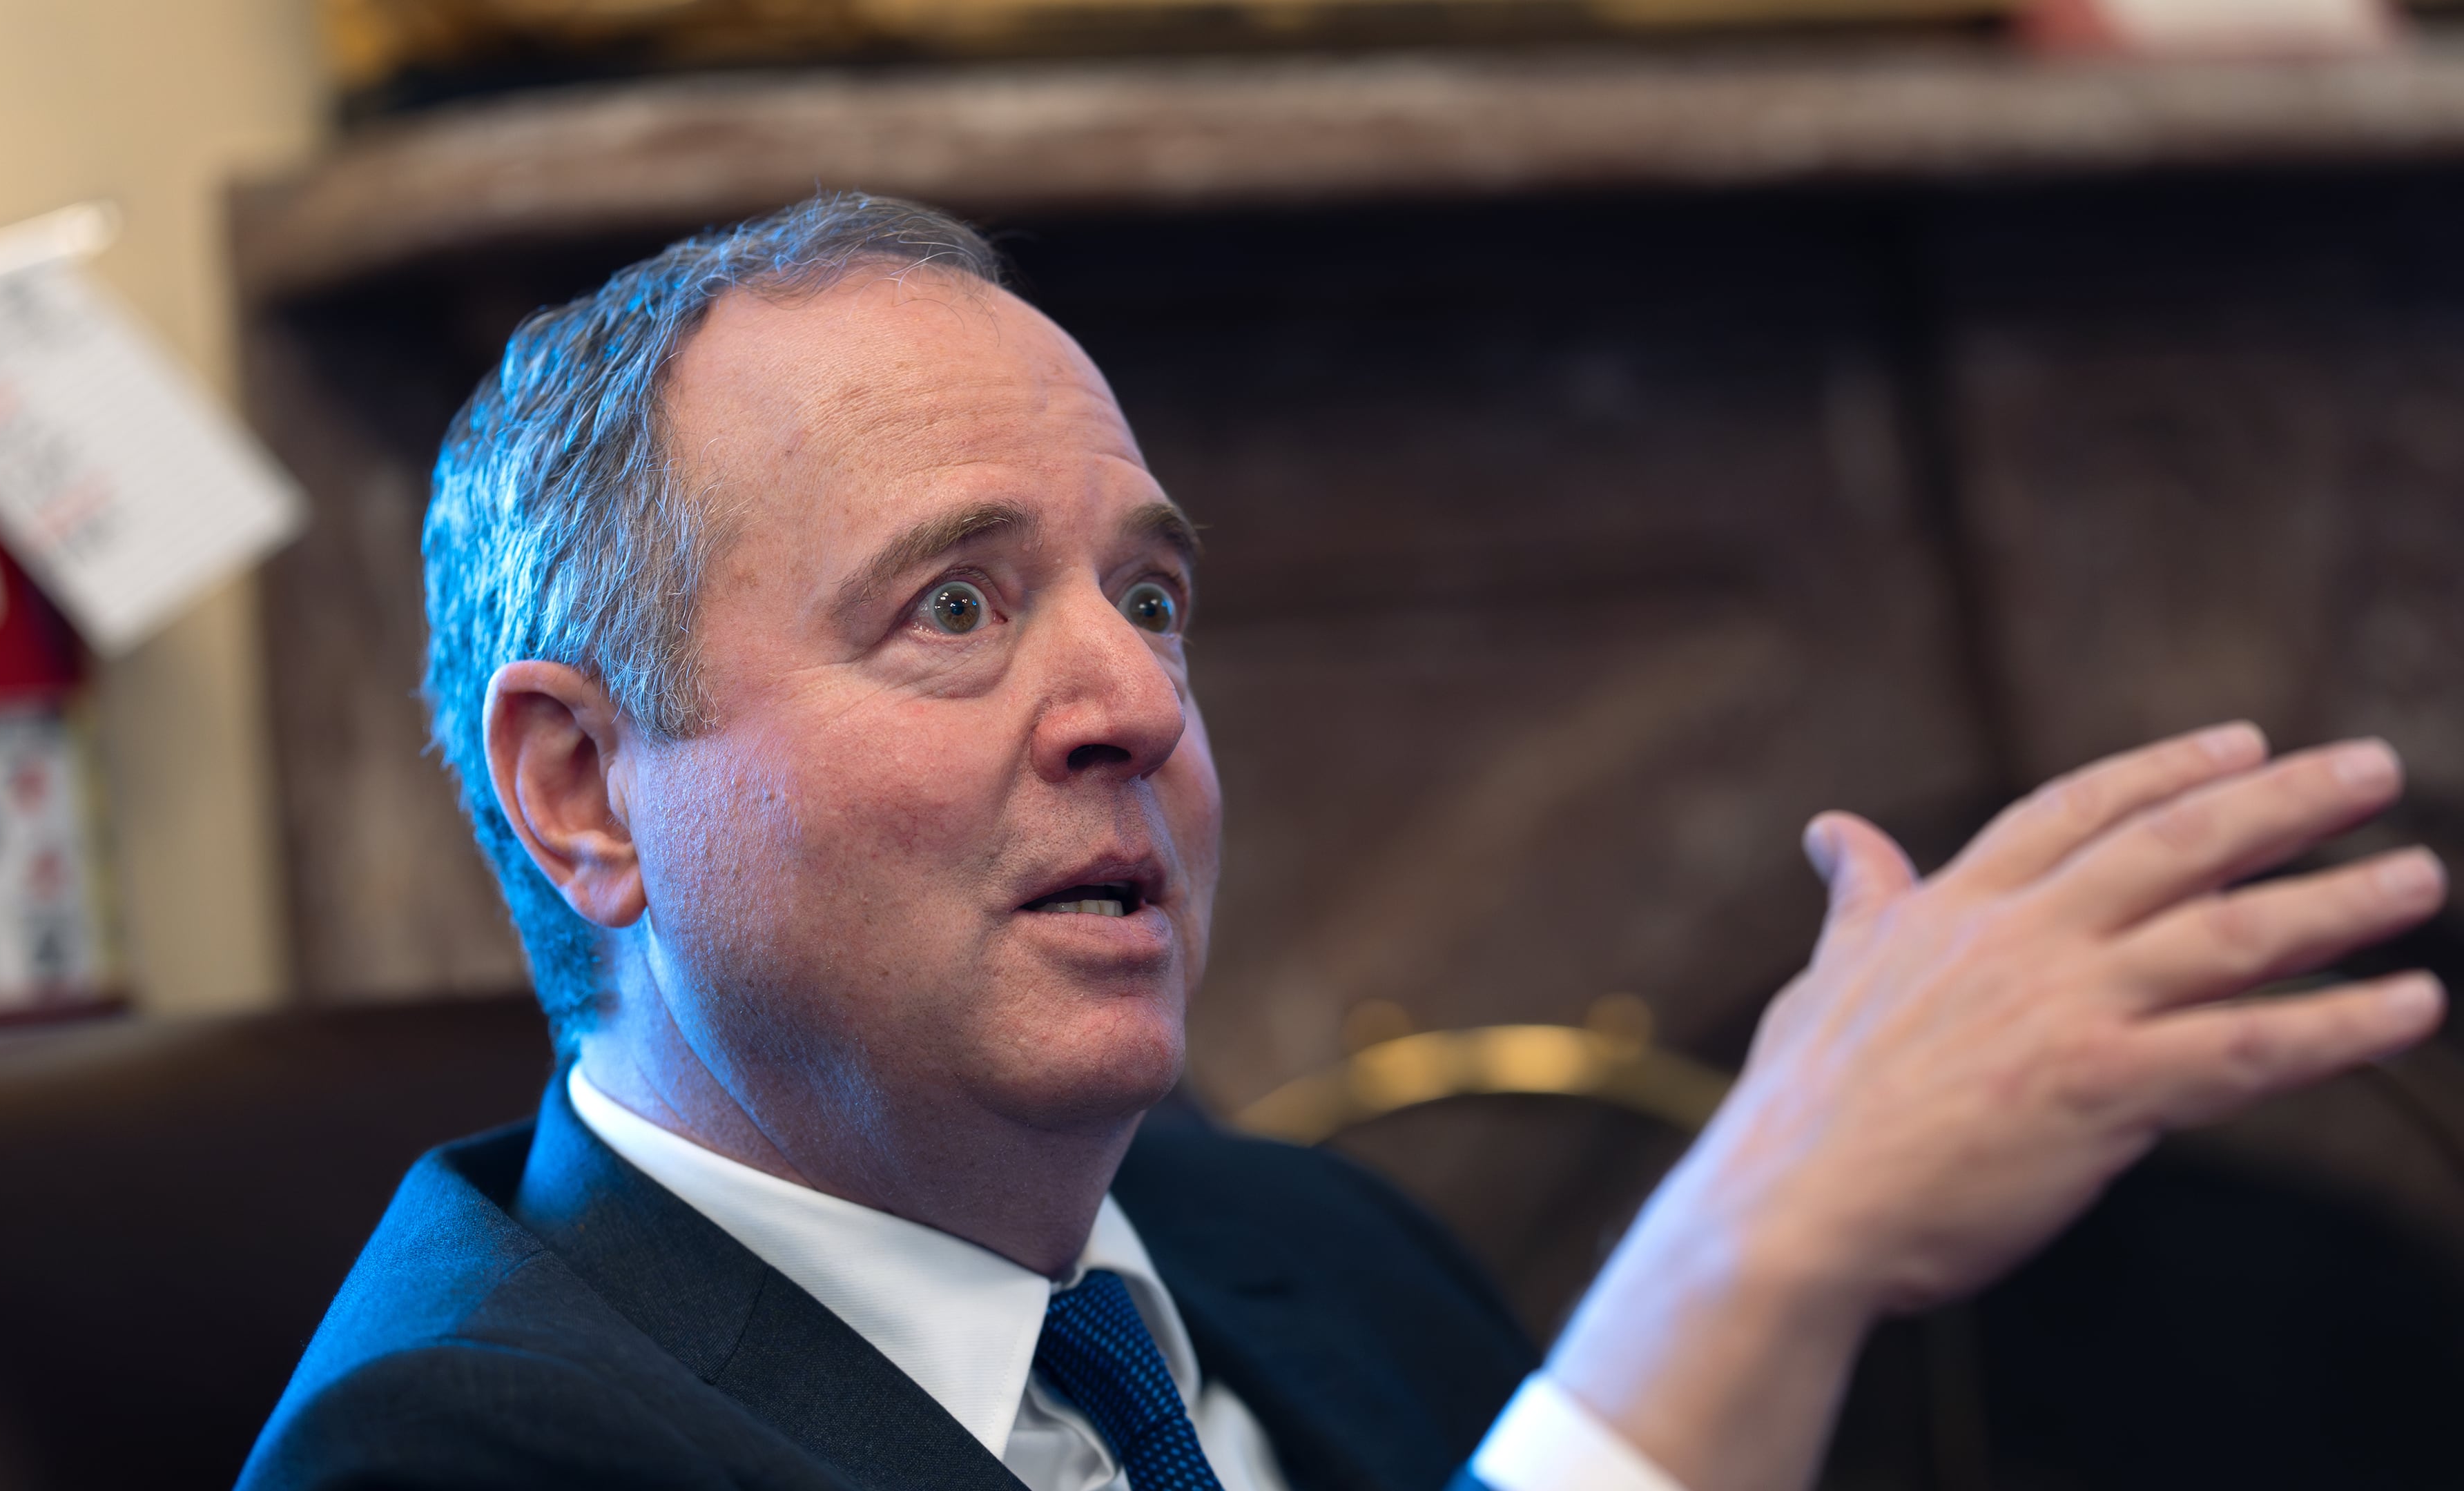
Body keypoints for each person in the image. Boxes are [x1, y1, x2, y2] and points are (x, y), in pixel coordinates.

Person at [237, 195, 2448, 1491]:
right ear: (582, 791)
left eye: (1154, 597)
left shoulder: (1303, 1245)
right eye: (959, 608)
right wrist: (1743, 1264)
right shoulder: (462, 1454)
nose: (1132, 704)